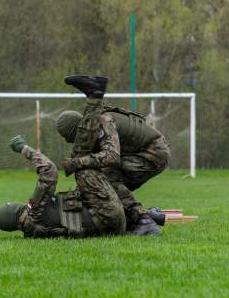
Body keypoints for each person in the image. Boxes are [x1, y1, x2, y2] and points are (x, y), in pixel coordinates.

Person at [57, 75, 170, 234]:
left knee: (107, 178)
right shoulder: (96, 122)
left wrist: (78, 163)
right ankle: (144, 217)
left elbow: (111, 157)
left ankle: (144, 221)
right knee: (103, 185)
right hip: (147, 152)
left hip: (153, 153)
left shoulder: (103, 121)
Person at [0, 135, 126, 238]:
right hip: (108, 216)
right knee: (84, 171)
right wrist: (24, 148)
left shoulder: (32, 231)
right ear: (13, 211)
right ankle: (138, 212)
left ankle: (136, 214)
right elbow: (49, 171)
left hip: (106, 228)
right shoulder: (34, 210)